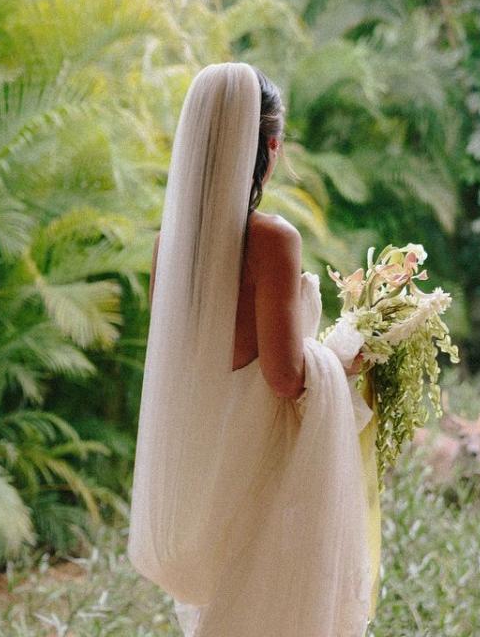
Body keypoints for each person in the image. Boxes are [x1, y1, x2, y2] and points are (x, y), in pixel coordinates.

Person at [128, 62, 372, 636]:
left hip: (211, 455)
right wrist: (342, 357)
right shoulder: (271, 240)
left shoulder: (171, 246)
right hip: (267, 460)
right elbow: (286, 376)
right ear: (270, 145)